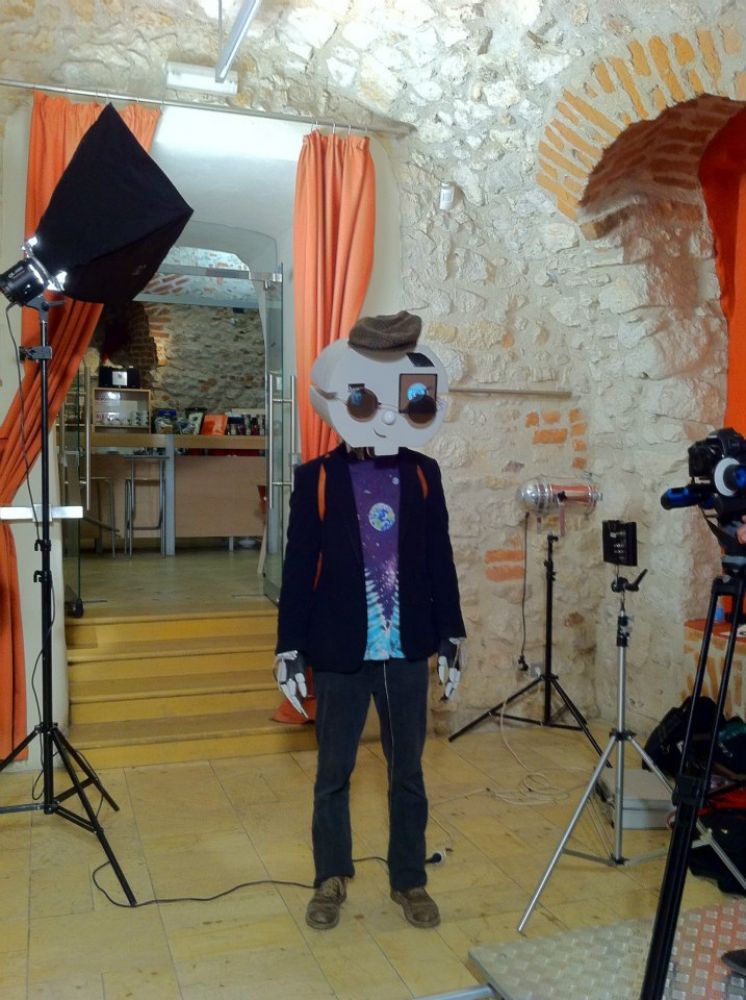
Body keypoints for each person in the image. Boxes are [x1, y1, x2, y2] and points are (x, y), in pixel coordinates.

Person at [273, 311, 465, 930]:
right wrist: (289, 647)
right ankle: (330, 876)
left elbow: (439, 558)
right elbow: (299, 567)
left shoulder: (423, 475)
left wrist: (452, 633)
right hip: (340, 652)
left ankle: (409, 879)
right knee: (334, 773)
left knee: (408, 772)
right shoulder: (317, 479)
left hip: (406, 651)